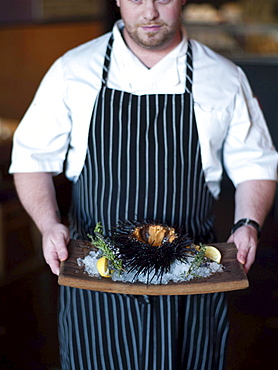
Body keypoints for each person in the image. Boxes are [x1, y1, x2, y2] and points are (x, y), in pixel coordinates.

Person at [9, 0, 277, 369]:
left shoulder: (224, 76)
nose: (149, 11)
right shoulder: (72, 70)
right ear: (118, 0)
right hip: (96, 276)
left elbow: (255, 163)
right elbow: (31, 159)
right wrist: (48, 224)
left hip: (190, 277)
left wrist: (248, 224)